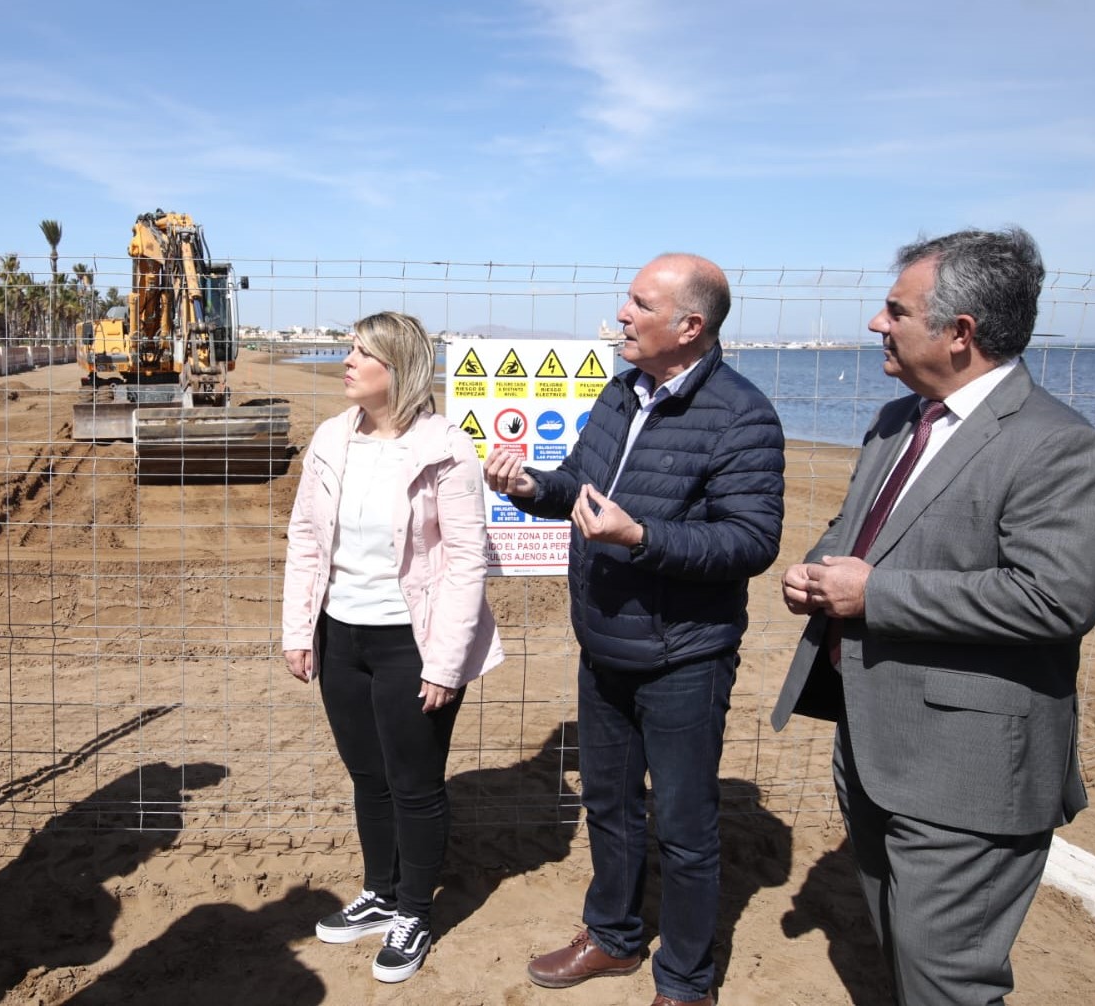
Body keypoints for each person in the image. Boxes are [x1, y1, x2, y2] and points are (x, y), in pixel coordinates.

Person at [772, 228, 1095, 1005]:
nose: (875, 323)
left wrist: (875, 595)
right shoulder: (899, 418)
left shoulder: (1061, 447)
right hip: (874, 743)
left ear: (960, 334)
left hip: (968, 770)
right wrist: (817, 569)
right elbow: (859, 529)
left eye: (896, 309)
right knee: (905, 953)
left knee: (948, 981)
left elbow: (1057, 598)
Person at [485, 254, 784, 1006]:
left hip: (685, 656)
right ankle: (614, 937)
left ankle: (684, 982)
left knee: (685, 827)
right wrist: (531, 486)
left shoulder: (743, 415)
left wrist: (642, 537)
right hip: (605, 641)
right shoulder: (621, 393)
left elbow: (751, 542)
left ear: (689, 326)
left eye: (638, 303)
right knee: (609, 804)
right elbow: (579, 489)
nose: (621, 313)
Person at [282, 311, 503, 983]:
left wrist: (444, 662)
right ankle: (380, 893)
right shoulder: (330, 438)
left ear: (398, 370)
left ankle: (414, 911)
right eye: (348, 346)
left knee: (414, 783)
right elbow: (306, 539)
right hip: (340, 634)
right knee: (367, 776)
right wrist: (298, 629)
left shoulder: (447, 448)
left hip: (414, 641)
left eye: (361, 352)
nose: (346, 359)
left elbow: (467, 562)